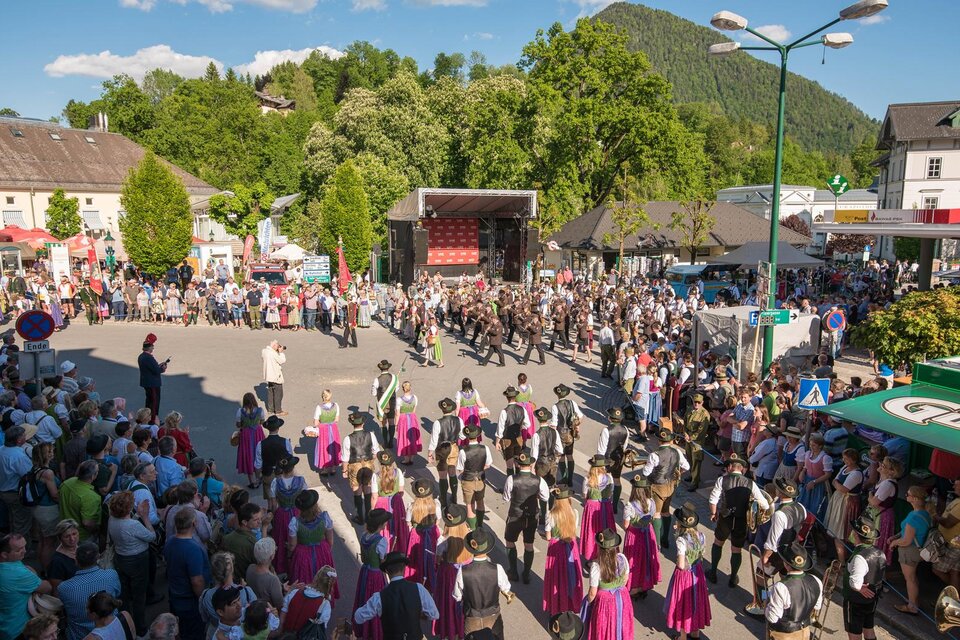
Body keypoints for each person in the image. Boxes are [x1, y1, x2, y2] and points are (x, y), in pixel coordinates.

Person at [706, 453, 770, 587]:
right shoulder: (750, 483)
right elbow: (765, 504)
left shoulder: (722, 480)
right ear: (742, 469)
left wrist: (713, 513)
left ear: (730, 467)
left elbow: (713, 499)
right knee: (736, 549)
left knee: (718, 543)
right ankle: (733, 578)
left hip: (725, 518)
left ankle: (713, 572)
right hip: (741, 520)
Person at [354, 551, 440, 639]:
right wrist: (417, 613)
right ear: (404, 568)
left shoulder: (379, 597)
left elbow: (358, 617)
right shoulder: (419, 588)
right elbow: (434, 614)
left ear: (387, 571)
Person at [107, 491, 157, 635]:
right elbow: (151, 536)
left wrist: (137, 515)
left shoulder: (113, 520)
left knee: (124, 593)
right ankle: (140, 629)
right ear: (128, 508)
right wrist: (145, 517)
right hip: (138, 560)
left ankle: (126, 625)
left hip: (121, 558)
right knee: (139, 595)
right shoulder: (132, 525)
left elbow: (129, 526)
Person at [452, 528, 512, 640]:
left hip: (472, 617)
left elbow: (457, 596)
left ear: (471, 549)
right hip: (493, 616)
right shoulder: (497, 569)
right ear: (487, 548)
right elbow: (506, 587)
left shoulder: (463, 571)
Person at [664, 503, 711, 640]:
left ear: (680, 524)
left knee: (684, 604)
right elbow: (701, 555)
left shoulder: (681, 540)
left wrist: (686, 568)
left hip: (685, 576)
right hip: (698, 573)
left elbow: (680, 563)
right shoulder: (701, 536)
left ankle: (683, 637)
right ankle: (695, 634)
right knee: (696, 601)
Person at [164, 508, 212, 640]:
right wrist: (202, 598)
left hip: (176, 597)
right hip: (189, 602)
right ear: (194, 524)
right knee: (194, 634)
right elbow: (197, 581)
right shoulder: (192, 549)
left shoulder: (170, 542)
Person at [58, 542, 121, 640]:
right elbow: (117, 594)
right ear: (98, 558)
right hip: (112, 630)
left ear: (76, 561)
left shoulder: (64, 587)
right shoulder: (111, 575)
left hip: (79, 635)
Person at [641, 428, 690, 550]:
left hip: (656, 486)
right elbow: (686, 467)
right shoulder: (677, 452)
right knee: (666, 511)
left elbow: (646, 473)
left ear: (659, 440)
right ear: (671, 440)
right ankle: (665, 539)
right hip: (670, 486)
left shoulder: (654, 455)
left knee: (656, 514)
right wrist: (677, 473)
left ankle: (657, 543)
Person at [582, 528, 634, 640]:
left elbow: (592, 593)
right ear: (615, 547)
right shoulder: (622, 558)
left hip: (605, 602)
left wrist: (589, 604)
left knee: (605, 626)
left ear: (600, 548)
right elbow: (625, 579)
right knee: (620, 624)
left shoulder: (596, 566)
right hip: (622, 597)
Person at [888, 485, 932, 615]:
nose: (906, 496)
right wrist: (896, 536)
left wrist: (894, 542)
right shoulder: (924, 513)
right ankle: (914, 602)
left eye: (908, 494)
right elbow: (905, 532)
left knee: (910, 579)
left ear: (915, 498)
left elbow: (906, 540)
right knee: (912, 578)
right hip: (916, 550)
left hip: (909, 551)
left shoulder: (914, 517)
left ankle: (912, 606)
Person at [764, 542, 823, 640]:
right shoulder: (816, 580)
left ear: (785, 564)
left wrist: (766, 605)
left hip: (784, 635)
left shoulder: (781, 587)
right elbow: (817, 606)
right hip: (805, 632)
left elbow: (772, 618)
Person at [0, 533, 53, 640]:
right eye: (18, 550)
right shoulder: (18, 573)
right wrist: (33, 572)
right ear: (4, 554)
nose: (24, 551)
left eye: (25, 546)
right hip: (17, 629)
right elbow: (47, 587)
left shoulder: (10, 564)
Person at [843, 516, 886, 640]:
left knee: (854, 634)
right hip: (872, 599)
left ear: (856, 535)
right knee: (869, 629)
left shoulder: (859, 557)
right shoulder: (880, 552)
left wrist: (860, 588)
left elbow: (855, 584)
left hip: (856, 601)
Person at [352, 509, 391, 640]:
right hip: (375, 574)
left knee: (363, 597)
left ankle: (362, 628)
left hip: (365, 571)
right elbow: (382, 561)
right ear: (380, 524)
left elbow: (364, 557)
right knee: (376, 600)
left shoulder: (363, 536)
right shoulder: (381, 541)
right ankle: (374, 629)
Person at [543, 485, 582, 616]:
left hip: (556, 549)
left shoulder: (550, 514)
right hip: (571, 546)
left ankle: (557, 604)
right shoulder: (574, 513)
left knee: (557, 578)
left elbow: (548, 536)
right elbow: (573, 531)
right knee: (570, 577)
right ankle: (570, 604)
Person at [287, 490, 337, 591]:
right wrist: (326, 552)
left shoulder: (294, 522)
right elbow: (330, 541)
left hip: (303, 554)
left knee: (304, 580)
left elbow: (292, 546)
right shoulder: (325, 517)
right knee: (323, 580)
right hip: (322, 551)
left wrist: (289, 555)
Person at [434, 504, 470, 640]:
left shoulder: (443, 540)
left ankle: (450, 631)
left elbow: (437, 560)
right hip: (466, 571)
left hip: (449, 575)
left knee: (448, 604)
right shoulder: (468, 535)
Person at [622, 475, 660, 600]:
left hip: (634, 536)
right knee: (645, 559)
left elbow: (626, 525)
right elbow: (653, 517)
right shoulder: (652, 502)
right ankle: (644, 585)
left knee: (634, 561)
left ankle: (634, 587)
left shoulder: (630, 505)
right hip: (648, 534)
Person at [825, 448, 864, 564]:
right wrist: (837, 484)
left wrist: (837, 484)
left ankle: (843, 561)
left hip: (847, 503)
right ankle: (841, 558)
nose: (844, 460)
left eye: (847, 459)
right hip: (839, 500)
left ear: (853, 460)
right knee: (836, 530)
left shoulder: (856, 473)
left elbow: (843, 489)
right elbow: (835, 482)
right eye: (844, 458)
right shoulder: (845, 468)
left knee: (841, 531)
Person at [341, 412, 379, 525]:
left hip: (354, 466)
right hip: (368, 464)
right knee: (367, 488)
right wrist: (370, 459)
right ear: (363, 423)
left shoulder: (348, 439)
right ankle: (368, 515)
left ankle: (359, 516)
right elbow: (376, 451)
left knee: (357, 490)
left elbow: (345, 458)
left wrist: (344, 470)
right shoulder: (371, 435)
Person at [530, 406, 563, 534]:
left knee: (542, 491)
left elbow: (534, 454)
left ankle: (544, 517)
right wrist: (555, 458)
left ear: (538, 419)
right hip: (552, 462)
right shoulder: (554, 432)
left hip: (541, 463)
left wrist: (532, 469)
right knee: (552, 488)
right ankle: (552, 515)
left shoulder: (537, 435)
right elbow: (560, 449)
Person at [270, 455, 305, 576]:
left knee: (281, 539)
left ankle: (281, 566)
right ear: (293, 467)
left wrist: (275, 516)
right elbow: (305, 498)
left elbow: (273, 505)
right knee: (296, 539)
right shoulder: (301, 480)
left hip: (282, 513)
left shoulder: (276, 482)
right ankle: (296, 564)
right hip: (296, 512)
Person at [404, 479, 442, 591]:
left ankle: (416, 577)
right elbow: (438, 521)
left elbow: (408, 523)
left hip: (416, 534)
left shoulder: (411, 506)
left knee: (416, 557)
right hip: (431, 534)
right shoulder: (436, 505)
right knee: (431, 555)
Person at [429, 398, 464, 510]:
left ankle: (443, 499)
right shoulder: (459, 420)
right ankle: (454, 497)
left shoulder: (438, 422)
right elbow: (463, 435)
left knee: (442, 474)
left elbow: (434, 439)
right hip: (453, 447)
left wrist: (430, 451)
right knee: (452, 472)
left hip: (442, 448)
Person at [0, 426, 34, 542]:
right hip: (15, 493)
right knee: (21, 524)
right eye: (24, 435)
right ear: (18, 440)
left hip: (4, 491)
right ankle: (20, 549)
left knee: (13, 519)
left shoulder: (1, 450)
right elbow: (28, 474)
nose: (26, 437)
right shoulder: (18, 456)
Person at [371, 450, 408, 553]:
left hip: (382, 502)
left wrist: (372, 510)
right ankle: (398, 546)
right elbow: (401, 491)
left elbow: (374, 496)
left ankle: (385, 549)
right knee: (398, 525)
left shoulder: (376, 476)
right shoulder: (398, 472)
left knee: (384, 526)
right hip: (396, 501)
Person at [456, 423, 492, 530]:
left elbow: (460, 469)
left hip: (468, 480)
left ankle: (472, 529)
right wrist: (479, 470)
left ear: (467, 437)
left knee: (470, 506)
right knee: (480, 502)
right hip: (480, 478)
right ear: (477, 435)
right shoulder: (485, 448)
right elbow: (488, 464)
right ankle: (480, 525)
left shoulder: (463, 451)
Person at [580, 455, 615, 563]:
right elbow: (611, 493)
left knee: (593, 531)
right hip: (606, 507)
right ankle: (606, 554)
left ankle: (593, 556)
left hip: (592, 508)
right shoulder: (609, 478)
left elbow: (584, 495)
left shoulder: (588, 479)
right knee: (606, 529)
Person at [280, 566, 336, 634]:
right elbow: (319, 632)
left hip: (285, 637)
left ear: (316, 577)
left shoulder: (295, 592)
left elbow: (281, 621)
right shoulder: (325, 605)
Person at [59, 460, 102, 542]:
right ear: (93, 476)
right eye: (97, 472)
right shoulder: (91, 497)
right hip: (81, 536)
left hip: (64, 531)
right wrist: (96, 531)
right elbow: (87, 523)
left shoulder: (67, 482)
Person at [596, 407, 629, 514]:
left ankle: (603, 502)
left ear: (610, 418)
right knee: (617, 480)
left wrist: (598, 462)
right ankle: (614, 505)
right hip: (619, 458)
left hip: (607, 459)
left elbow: (601, 449)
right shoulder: (626, 430)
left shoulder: (606, 430)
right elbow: (625, 446)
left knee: (603, 481)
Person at [551, 384, 583, 488]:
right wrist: (576, 425)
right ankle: (570, 479)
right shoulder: (572, 403)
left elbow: (554, 424)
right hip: (570, 432)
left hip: (560, 433)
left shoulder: (555, 407)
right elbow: (581, 416)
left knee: (561, 456)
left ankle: (564, 478)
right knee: (570, 455)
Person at [495, 386, 529, 478]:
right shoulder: (522, 409)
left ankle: (511, 485)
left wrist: (497, 442)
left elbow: (500, 428)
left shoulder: (504, 411)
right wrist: (520, 427)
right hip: (519, 438)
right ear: (515, 397)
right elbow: (527, 424)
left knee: (509, 464)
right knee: (518, 461)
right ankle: (519, 482)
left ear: (507, 397)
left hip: (507, 440)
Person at [679, 393, 710, 490]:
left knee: (696, 460)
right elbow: (685, 422)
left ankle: (694, 483)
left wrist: (691, 437)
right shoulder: (689, 409)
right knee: (689, 458)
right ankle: (693, 475)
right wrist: (685, 433)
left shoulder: (704, 414)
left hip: (697, 441)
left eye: (698, 402)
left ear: (702, 403)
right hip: (688, 437)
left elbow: (702, 430)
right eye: (695, 402)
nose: (696, 404)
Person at [235, 392, 265, 488]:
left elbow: (238, 424)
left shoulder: (240, 411)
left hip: (246, 435)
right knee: (259, 454)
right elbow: (262, 421)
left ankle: (253, 482)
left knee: (248, 455)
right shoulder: (260, 410)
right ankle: (258, 476)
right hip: (257, 433)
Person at [246, 538, 284, 610]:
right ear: (272, 556)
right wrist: (290, 591)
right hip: (267, 613)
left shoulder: (250, 568)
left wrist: (280, 586)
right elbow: (280, 605)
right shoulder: (272, 579)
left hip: (254, 609)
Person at [137, 334, 167, 423]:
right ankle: (153, 420)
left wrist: (158, 366)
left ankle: (146, 417)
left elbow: (151, 368)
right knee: (154, 403)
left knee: (149, 401)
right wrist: (162, 368)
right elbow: (156, 370)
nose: (153, 348)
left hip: (147, 382)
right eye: (152, 347)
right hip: (152, 383)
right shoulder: (148, 358)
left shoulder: (142, 356)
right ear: (149, 347)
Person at [311, 390, 341, 476]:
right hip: (333, 428)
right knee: (334, 446)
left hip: (323, 429)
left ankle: (324, 469)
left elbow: (316, 423)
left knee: (323, 447)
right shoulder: (336, 406)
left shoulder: (319, 407)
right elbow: (337, 419)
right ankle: (333, 468)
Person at [372, 360, 399, 449]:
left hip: (382, 404)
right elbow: (397, 389)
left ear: (380, 368)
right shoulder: (394, 378)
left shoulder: (377, 379)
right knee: (391, 421)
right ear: (388, 368)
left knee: (383, 423)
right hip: (392, 402)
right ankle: (391, 441)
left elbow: (373, 393)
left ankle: (385, 442)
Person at [395, 381, 422, 466]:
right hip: (412, 418)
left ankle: (406, 459)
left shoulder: (399, 400)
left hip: (403, 419)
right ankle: (411, 457)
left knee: (404, 437)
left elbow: (397, 413)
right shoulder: (415, 398)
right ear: (410, 388)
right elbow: (414, 410)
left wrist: (396, 424)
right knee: (413, 437)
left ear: (403, 389)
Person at [261, 341, 286, 416]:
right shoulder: (273, 353)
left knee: (270, 392)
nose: (278, 348)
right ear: (274, 346)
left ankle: (270, 409)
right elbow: (282, 361)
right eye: (277, 346)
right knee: (279, 393)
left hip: (269, 376)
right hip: (276, 376)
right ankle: (278, 411)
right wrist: (281, 352)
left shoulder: (264, 351)